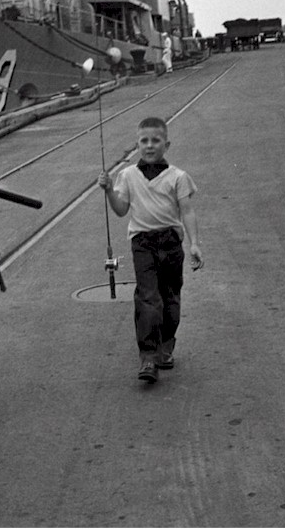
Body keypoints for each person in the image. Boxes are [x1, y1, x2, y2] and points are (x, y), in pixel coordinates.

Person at [98, 117, 203, 383]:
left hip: (170, 242)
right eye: (144, 141)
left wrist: (194, 243)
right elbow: (121, 210)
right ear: (137, 145)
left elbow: (187, 211)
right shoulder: (128, 175)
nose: (149, 145)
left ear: (166, 145)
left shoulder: (178, 177)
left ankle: (166, 345)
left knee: (170, 298)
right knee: (147, 298)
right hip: (142, 243)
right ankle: (148, 356)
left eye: (156, 140)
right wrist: (109, 190)